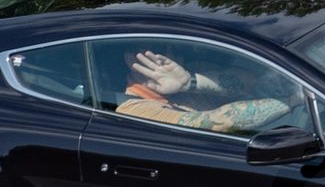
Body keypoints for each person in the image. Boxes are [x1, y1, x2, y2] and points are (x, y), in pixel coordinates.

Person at [114, 48, 293, 134]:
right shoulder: (133, 110)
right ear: (131, 61)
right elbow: (217, 123)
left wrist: (189, 82)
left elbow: (250, 81)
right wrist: (294, 100)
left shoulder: (189, 70)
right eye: (160, 53)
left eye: (176, 51)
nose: (174, 59)